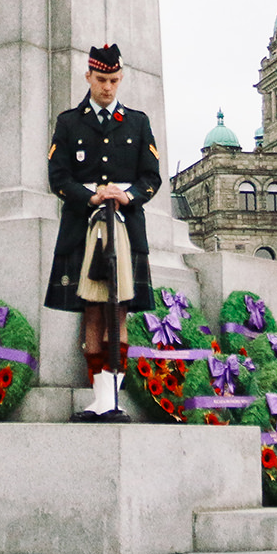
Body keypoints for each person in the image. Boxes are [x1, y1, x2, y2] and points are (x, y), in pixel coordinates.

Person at [43, 43, 161, 423]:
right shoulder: (69, 123)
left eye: (113, 80)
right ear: (88, 77)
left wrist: (127, 196)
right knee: (92, 311)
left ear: (120, 78)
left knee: (118, 309)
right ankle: (99, 399)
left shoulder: (138, 122)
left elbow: (151, 177)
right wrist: (91, 197)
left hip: (125, 226)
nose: (107, 87)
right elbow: (58, 177)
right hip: (83, 227)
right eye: (100, 80)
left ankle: (112, 398)